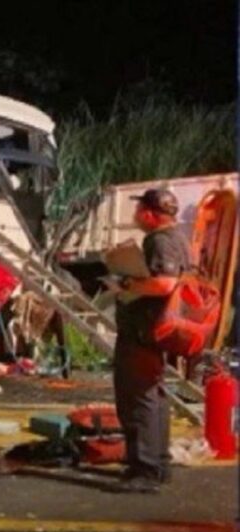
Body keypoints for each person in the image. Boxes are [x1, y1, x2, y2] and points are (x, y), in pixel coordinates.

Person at [113, 189, 191, 493]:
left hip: (143, 330)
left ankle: (146, 469)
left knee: (138, 399)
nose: (136, 216)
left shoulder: (159, 240)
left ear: (148, 213)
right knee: (154, 397)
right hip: (158, 329)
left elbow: (163, 283)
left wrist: (127, 282)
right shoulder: (179, 237)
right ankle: (158, 463)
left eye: (139, 210)